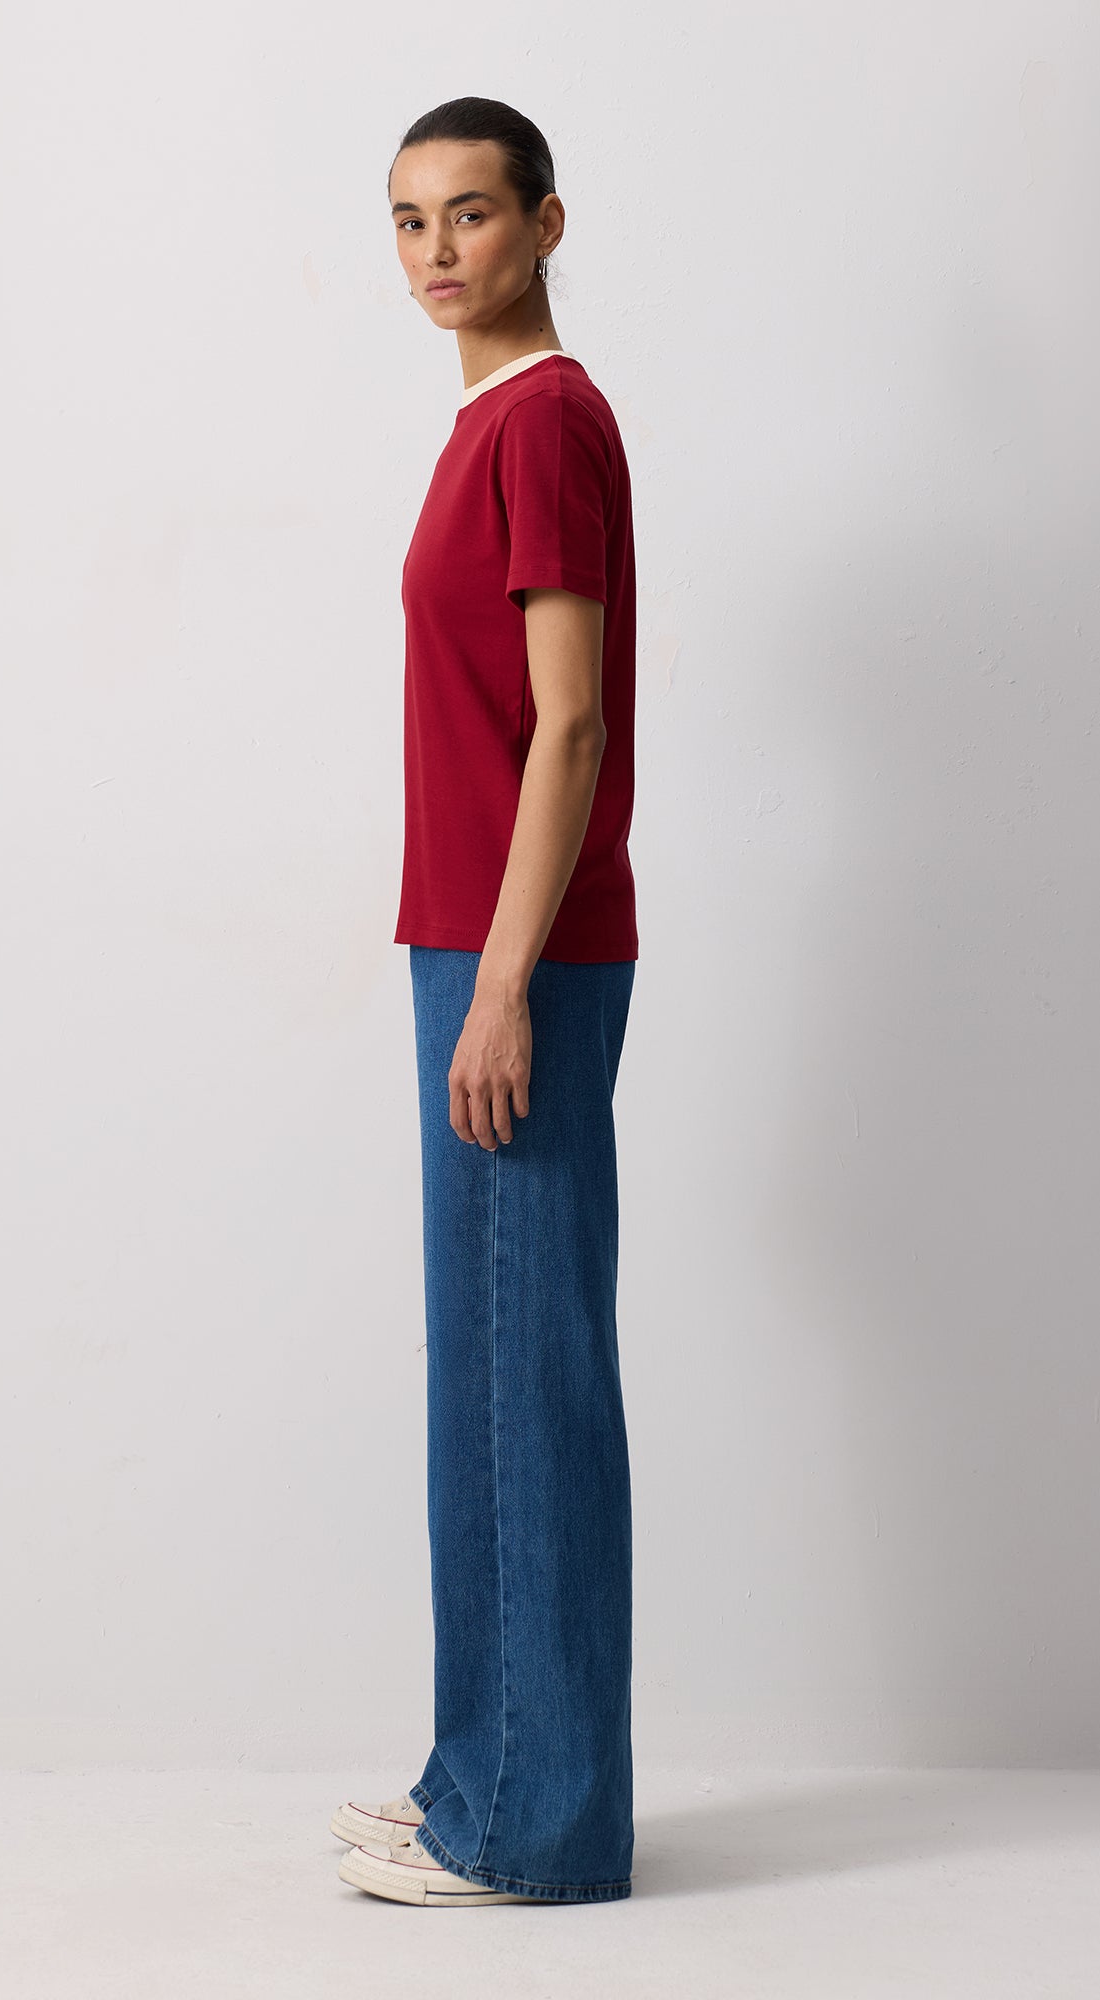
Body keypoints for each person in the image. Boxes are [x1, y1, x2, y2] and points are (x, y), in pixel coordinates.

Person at [332, 95, 639, 1908]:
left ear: (543, 224)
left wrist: (504, 987)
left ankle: (541, 1825)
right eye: (406, 219)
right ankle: (479, 1782)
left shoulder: (544, 420)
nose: (437, 249)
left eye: (469, 212)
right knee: (484, 1372)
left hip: (519, 951)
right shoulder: (485, 425)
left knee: (529, 1375)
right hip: (465, 940)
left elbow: (571, 723)